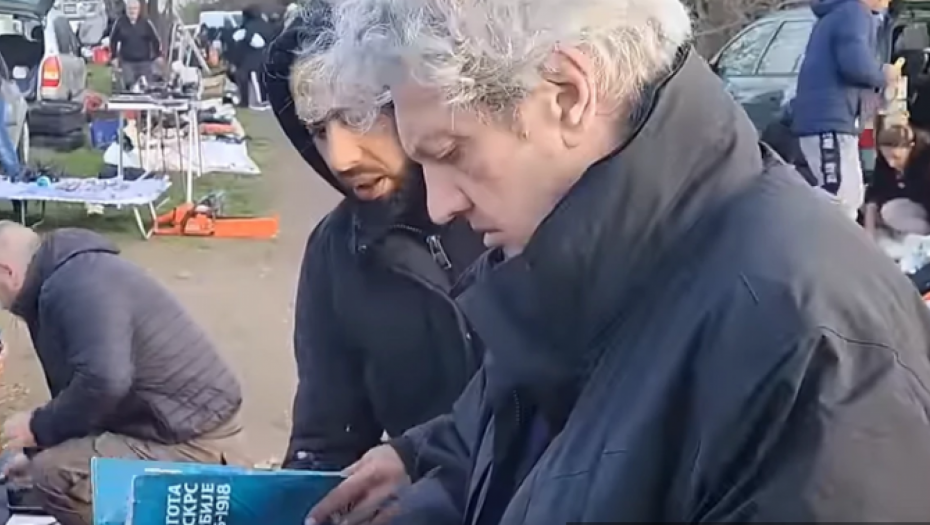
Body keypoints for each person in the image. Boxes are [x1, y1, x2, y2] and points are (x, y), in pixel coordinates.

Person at [307, 0, 930, 522]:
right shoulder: (570, 269)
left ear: (568, 95)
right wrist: (426, 470)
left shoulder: (811, 356)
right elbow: (534, 458)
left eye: (451, 152)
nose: (439, 204)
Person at [264, 1, 486, 475]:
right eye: (317, 129)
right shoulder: (335, 252)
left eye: (359, 116)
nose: (340, 158)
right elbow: (326, 442)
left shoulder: (512, 210)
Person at [0, 225, 246, 525]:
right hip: (169, 423)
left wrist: (38, 427)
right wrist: (37, 449)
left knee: (54, 474)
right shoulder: (69, 276)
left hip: (193, 441)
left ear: (7, 272)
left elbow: (104, 382)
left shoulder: (74, 287)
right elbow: (89, 395)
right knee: (49, 464)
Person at [792, 0, 898, 219]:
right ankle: (808, 231)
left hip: (837, 120)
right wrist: (883, 74)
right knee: (838, 195)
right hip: (827, 120)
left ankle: (835, 238)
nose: (888, 2)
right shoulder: (853, 12)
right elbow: (855, 65)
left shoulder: (840, 13)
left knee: (852, 195)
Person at [864, 123, 930, 235]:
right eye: (887, 157)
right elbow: (874, 194)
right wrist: (869, 233)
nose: (891, 163)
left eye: (896, 157)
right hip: (909, 204)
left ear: (910, 147)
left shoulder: (925, 162)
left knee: (891, 212)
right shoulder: (883, 163)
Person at [108, 0, 162, 91]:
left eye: (134, 8)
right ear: (126, 10)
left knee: (147, 88)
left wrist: (158, 55)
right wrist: (114, 57)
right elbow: (113, 40)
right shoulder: (120, 23)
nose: (132, 11)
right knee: (129, 87)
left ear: (139, 10)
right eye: (130, 9)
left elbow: (155, 39)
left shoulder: (146, 23)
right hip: (127, 62)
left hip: (144, 62)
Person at [227, 6, 272, 109]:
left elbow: (254, 41)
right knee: (258, 79)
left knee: (253, 79)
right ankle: (259, 100)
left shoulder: (248, 26)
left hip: (251, 58)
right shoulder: (264, 24)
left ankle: (256, 101)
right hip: (264, 56)